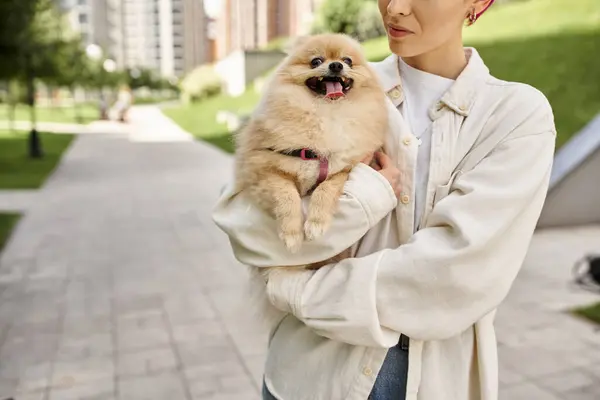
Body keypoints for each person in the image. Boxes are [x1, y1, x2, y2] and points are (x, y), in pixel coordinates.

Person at [212, 0, 557, 399]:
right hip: (307, 379)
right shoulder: (318, 80)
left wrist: (295, 291)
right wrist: (365, 195)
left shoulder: (515, 117)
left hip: (433, 381)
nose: (395, 7)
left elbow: (453, 277)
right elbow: (246, 229)